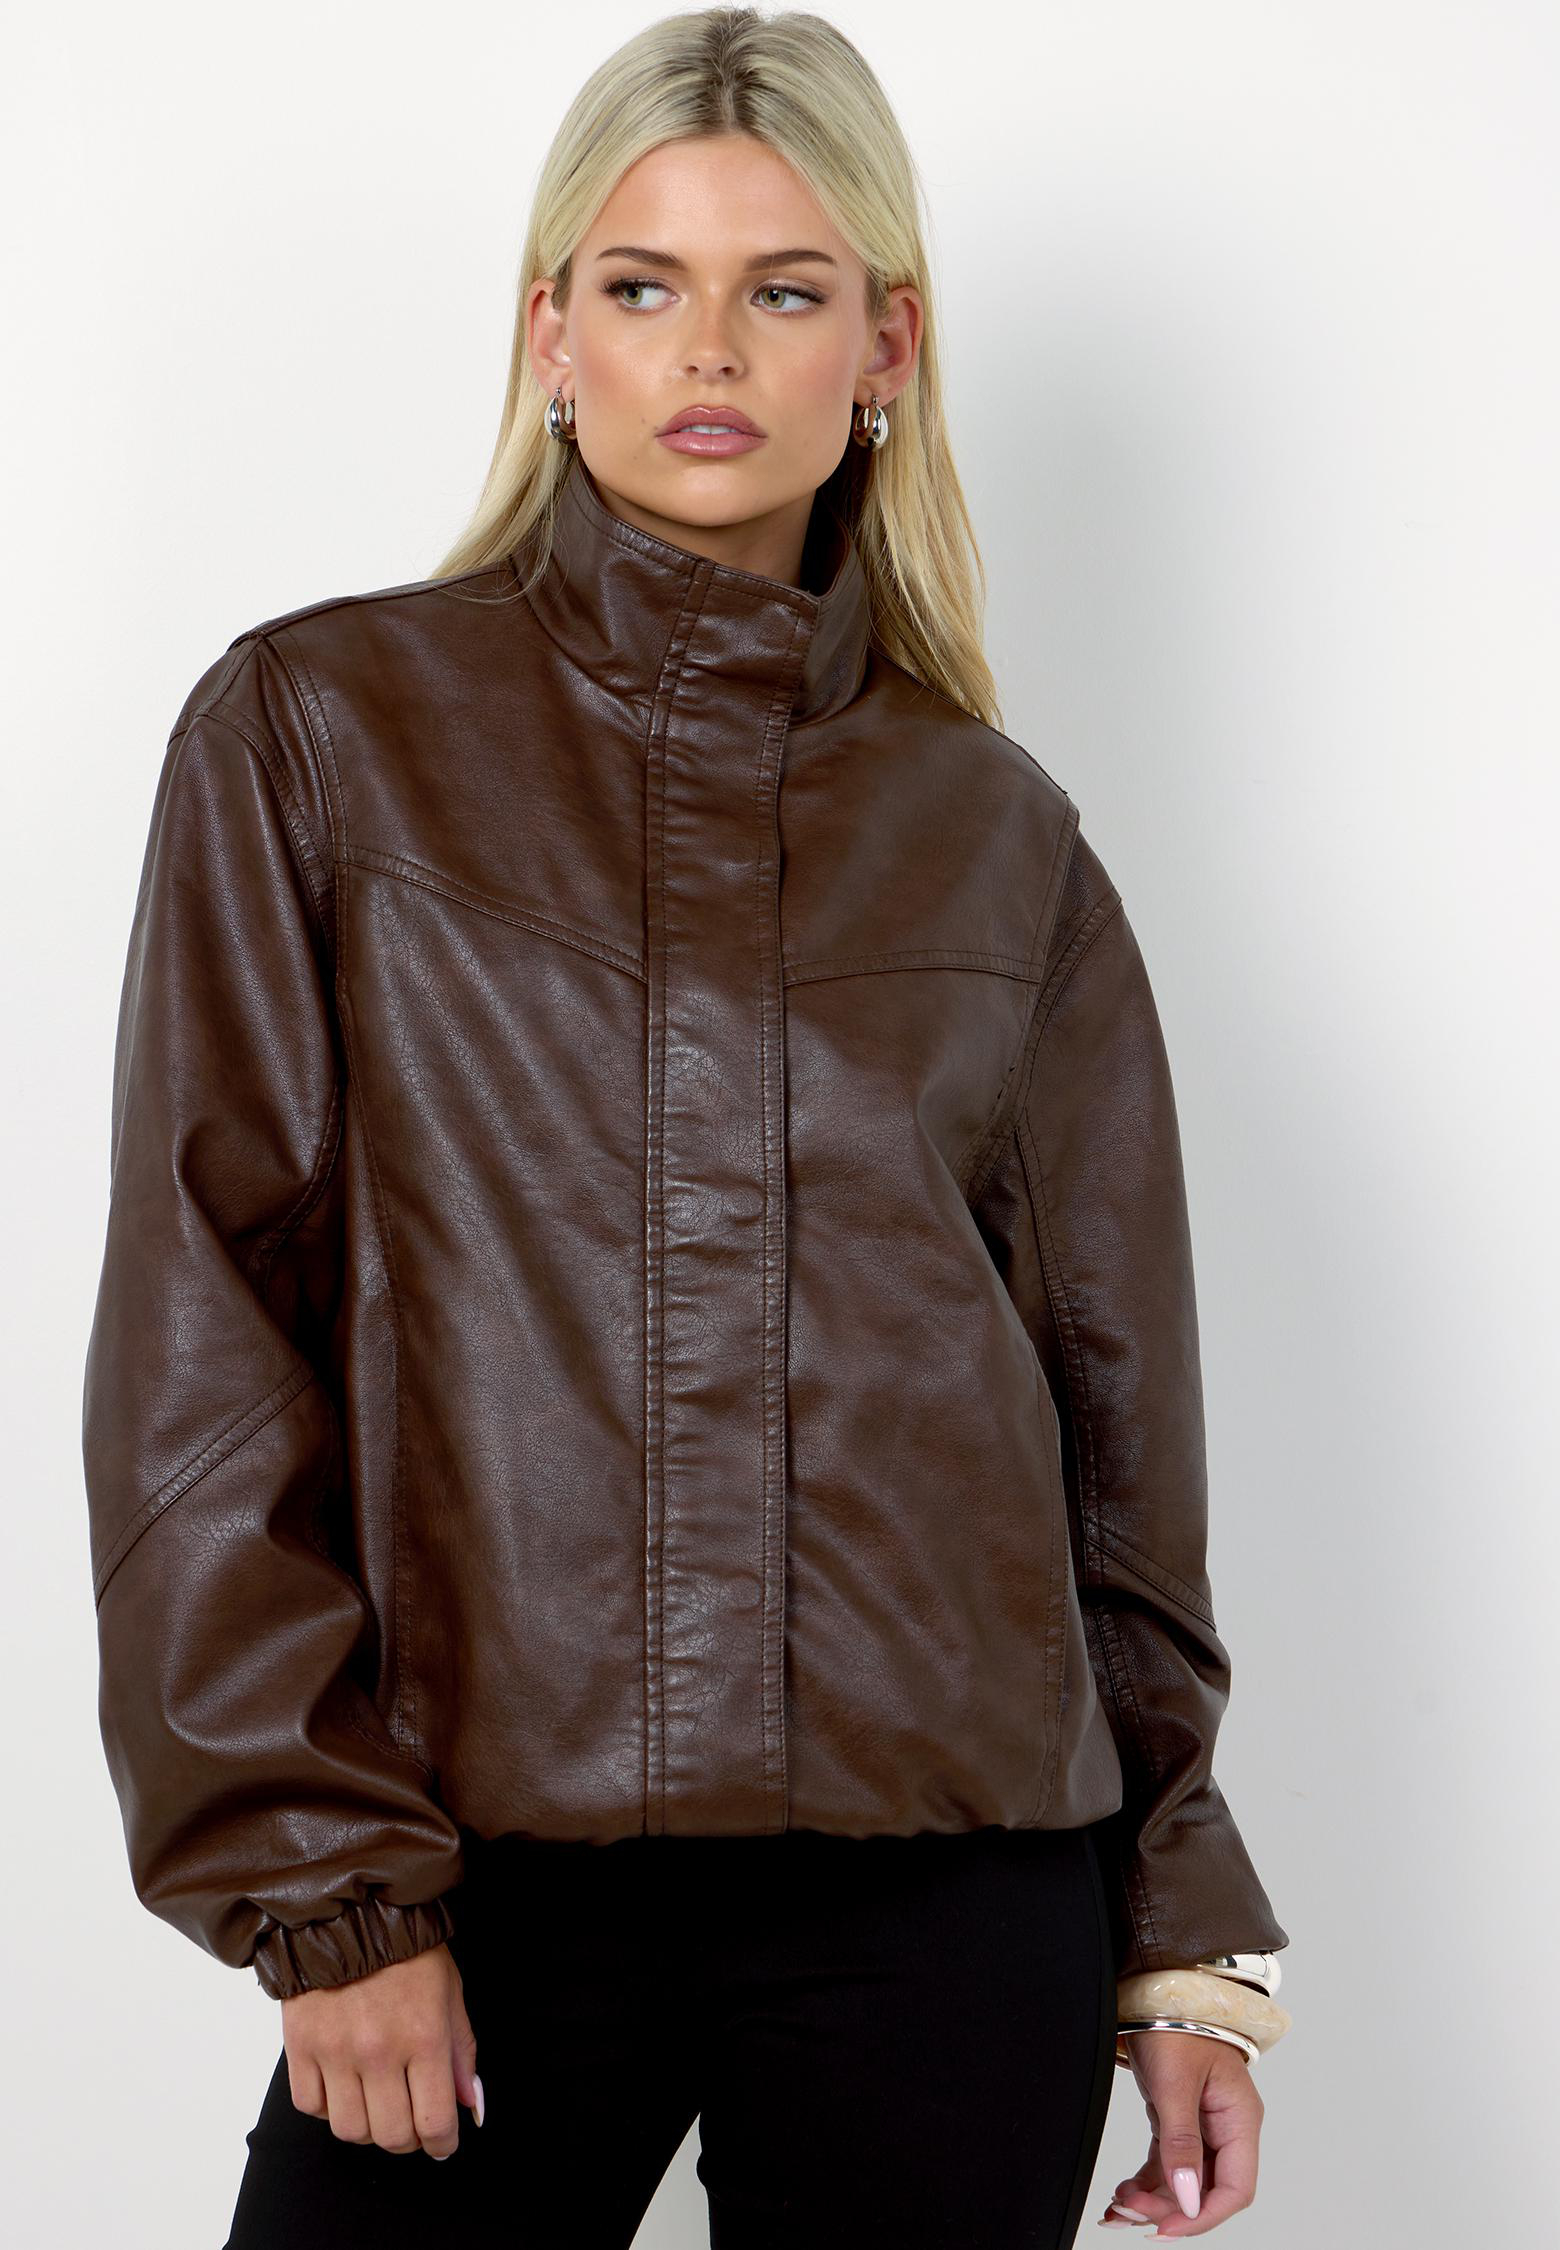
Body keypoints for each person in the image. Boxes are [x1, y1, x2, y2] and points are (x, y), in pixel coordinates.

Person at [80, 10, 1292, 2245]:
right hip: (478, 1877)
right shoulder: (321, 734)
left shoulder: (998, 835)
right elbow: (206, 1326)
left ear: (886, 344)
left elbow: (1115, 1417)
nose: (708, 349)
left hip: (952, 1899)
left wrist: (1184, 1924)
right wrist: (322, 1885)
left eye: (784, 287)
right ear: (551, 333)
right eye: (642, 285)